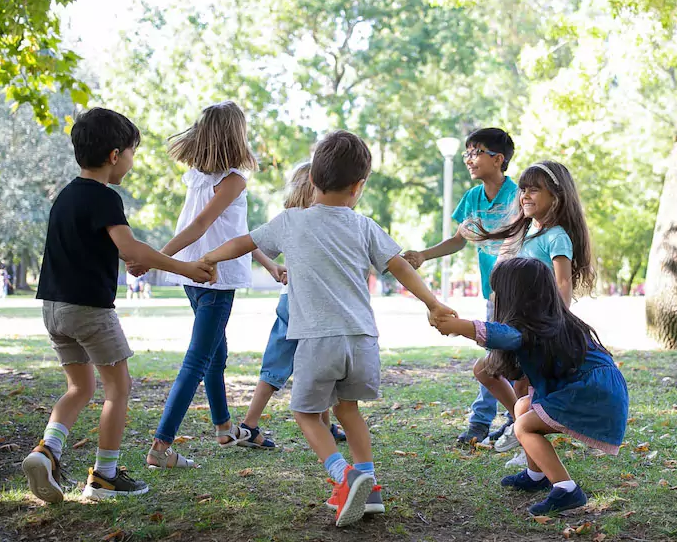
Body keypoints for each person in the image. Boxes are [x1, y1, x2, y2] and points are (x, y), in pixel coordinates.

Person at [203, 130, 456, 527]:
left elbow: (242, 242)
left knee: (305, 412)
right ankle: (369, 487)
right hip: (363, 341)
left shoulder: (291, 222)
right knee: (348, 410)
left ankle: (344, 475)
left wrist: (209, 258)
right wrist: (433, 302)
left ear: (312, 181)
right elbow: (400, 265)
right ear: (359, 187)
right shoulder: (364, 225)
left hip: (318, 341)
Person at [22, 108, 215, 503]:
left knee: (78, 387)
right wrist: (185, 267)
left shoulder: (65, 196)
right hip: (89, 311)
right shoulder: (105, 197)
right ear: (114, 156)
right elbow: (130, 249)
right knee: (118, 388)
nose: (131, 160)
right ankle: (105, 476)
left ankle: (47, 451)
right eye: (131, 152)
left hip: (53, 309)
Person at [140, 101, 284, 470]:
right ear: (236, 134)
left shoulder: (198, 176)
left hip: (195, 274)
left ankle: (223, 428)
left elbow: (234, 232)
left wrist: (266, 263)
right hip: (212, 277)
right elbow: (201, 226)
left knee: (215, 355)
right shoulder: (232, 178)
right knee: (199, 359)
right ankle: (161, 446)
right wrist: (155, 257)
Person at [434, 257, 628, 515]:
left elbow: (503, 334)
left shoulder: (533, 328)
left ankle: (567, 490)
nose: (493, 296)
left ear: (516, 296)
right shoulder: (548, 321)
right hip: (590, 390)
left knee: (524, 426)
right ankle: (536, 475)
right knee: (523, 407)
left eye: (497, 291)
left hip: (591, 393)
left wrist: (459, 327)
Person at [462, 160, 595, 462]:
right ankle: (518, 423)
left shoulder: (557, 236)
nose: (525, 195)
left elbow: (563, 282)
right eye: (523, 189)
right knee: (485, 371)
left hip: (539, 328)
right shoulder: (524, 233)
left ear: (556, 197)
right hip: (515, 324)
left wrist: (557, 321)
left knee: (525, 385)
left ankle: (528, 443)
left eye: (535, 190)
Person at [402, 128, 519, 449]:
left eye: (475, 152)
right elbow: (458, 239)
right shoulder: (472, 198)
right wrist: (423, 255)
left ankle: (486, 421)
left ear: (498, 159)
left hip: (521, 295)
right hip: (492, 294)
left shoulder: (518, 195)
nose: (469, 159)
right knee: (496, 357)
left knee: (499, 359)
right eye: (466, 153)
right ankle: (512, 419)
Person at [235, 162, 346, 449]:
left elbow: (252, 241)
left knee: (280, 365)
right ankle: (250, 425)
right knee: (317, 363)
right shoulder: (323, 221)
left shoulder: (289, 220)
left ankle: (252, 424)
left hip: (290, 301)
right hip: (310, 306)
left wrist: (277, 267)